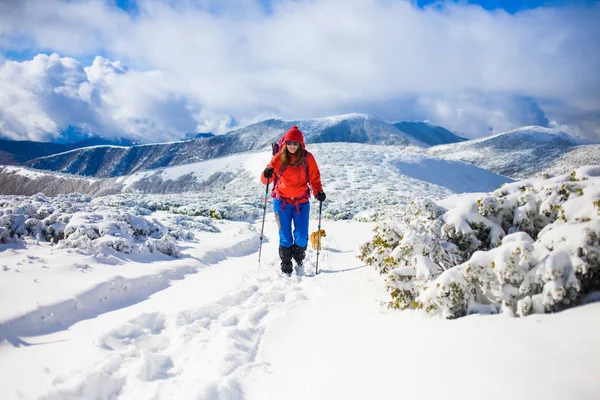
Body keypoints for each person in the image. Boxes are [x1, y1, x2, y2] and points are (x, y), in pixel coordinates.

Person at [261, 125, 326, 274]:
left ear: (301, 144)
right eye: (289, 142)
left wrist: (318, 192)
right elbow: (265, 180)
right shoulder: (279, 157)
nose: (292, 146)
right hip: (281, 201)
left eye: (295, 143)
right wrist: (267, 173)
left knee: (302, 236)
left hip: (301, 202)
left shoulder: (307, 158)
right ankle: (286, 262)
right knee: (285, 236)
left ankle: (298, 255)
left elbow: (315, 178)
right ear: (285, 144)